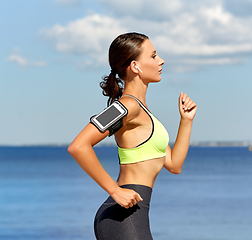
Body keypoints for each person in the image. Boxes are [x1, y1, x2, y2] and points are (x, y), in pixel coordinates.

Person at [67, 32, 197, 240]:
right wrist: (115, 191)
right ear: (136, 66)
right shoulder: (125, 105)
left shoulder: (144, 111)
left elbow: (174, 165)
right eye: (153, 56)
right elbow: (79, 146)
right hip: (122, 216)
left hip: (134, 214)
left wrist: (186, 121)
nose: (161, 60)